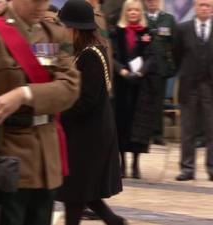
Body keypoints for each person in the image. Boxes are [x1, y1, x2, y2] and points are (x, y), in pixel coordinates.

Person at [0, 0, 80, 224]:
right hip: (6, 161)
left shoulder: (54, 33)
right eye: (35, 1)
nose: (41, 7)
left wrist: (24, 94)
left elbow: (70, 88)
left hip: (45, 160)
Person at [56, 1, 125, 225]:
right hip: (86, 131)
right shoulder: (85, 51)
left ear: (74, 29)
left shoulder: (91, 55)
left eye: (64, 26)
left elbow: (87, 99)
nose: (62, 31)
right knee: (84, 189)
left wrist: (60, 114)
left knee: (75, 191)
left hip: (89, 135)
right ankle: (114, 221)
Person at [111, 0, 158, 179]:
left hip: (140, 84)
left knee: (137, 125)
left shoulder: (148, 33)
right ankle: (122, 163)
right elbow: (112, 56)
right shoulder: (117, 31)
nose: (133, 13)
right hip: (121, 83)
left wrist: (141, 72)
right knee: (121, 123)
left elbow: (152, 57)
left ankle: (135, 164)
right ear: (125, 12)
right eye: (129, 10)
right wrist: (121, 70)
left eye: (136, 10)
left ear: (140, 12)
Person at [173, 0, 213, 182]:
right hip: (189, 86)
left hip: (210, 87)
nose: (204, 8)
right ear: (195, 7)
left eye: (208, 5)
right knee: (187, 129)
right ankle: (187, 168)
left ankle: (212, 167)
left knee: (211, 130)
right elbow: (176, 55)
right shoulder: (183, 29)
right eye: (201, 5)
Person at [144, 0, 176, 146]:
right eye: (148, 0)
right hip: (142, 67)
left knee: (158, 102)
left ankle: (157, 134)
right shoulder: (141, 17)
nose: (151, 2)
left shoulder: (168, 19)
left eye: (154, 0)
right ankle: (144, 133)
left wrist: (172, 64)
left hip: (160, 66)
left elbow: (174, 41)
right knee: (143, 102)